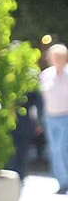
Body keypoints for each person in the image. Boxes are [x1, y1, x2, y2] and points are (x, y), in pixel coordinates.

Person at [40, 43, 68, 193]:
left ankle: (66, 180)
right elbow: (41, 97)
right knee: (54, 150)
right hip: (50, 117)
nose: (57, 59)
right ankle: (62, 182)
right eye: (54, 57)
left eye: (60, 57)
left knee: (63, 149)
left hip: (66, 117)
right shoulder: (46, 74)